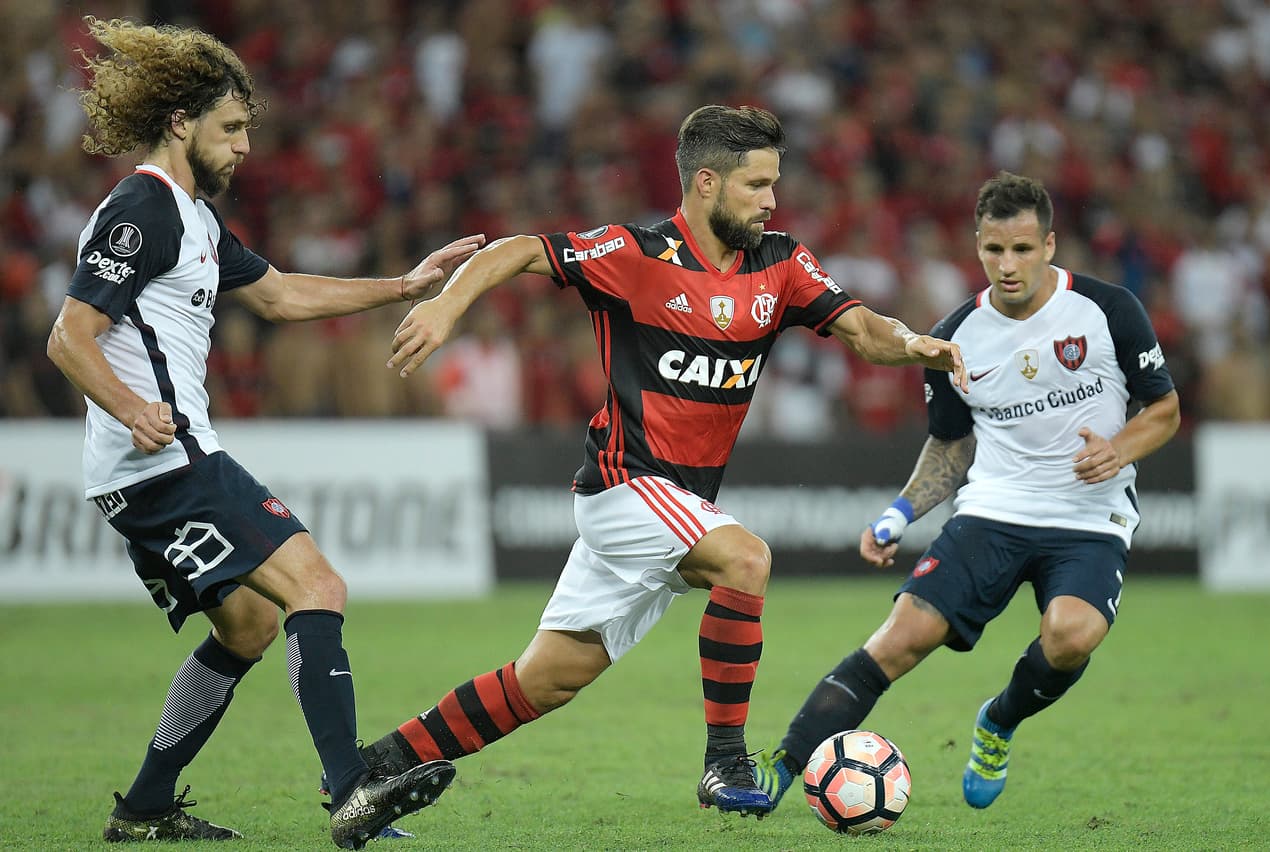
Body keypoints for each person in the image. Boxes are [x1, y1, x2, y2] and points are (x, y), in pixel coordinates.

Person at [339, 104, 966, 822]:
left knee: (545, 680)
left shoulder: (782, 263)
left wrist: (913, 342)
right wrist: (448, 310)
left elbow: (862, 328)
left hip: (674, 508)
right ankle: (725, 762)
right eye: (756, 184)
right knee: (747, 560)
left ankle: (369, 773)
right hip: (624, 486)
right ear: (706, 183)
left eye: (774, 184)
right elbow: (515, 249)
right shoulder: (635, 254)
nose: (771, 200)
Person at [47, 17, 483, 849]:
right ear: (181, 123)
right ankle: (351, 790)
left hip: (149, 468)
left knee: (246, 629)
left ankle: (142, 808)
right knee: (317, 586)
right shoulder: (144, 205)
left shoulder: (196, 221)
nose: (245, 146)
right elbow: (70, 335)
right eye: (231, 128)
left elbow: (282, 297)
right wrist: (134, 409)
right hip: (165, 464)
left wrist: (405, 285)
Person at [752, 171, 1181, 812]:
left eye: (1023, 249)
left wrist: (1118, 448)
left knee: (1069, 637)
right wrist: (899, 512)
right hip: (992, 512)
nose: (1008, 266)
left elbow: (1165, 409)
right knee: (897, 640)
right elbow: (951, 448)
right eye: (994, 250)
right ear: (978, 247)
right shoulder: (955, 336)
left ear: (1050, 246)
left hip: (1091, 515)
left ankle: (999, 722)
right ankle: (780, 770)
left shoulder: (1108, 310)